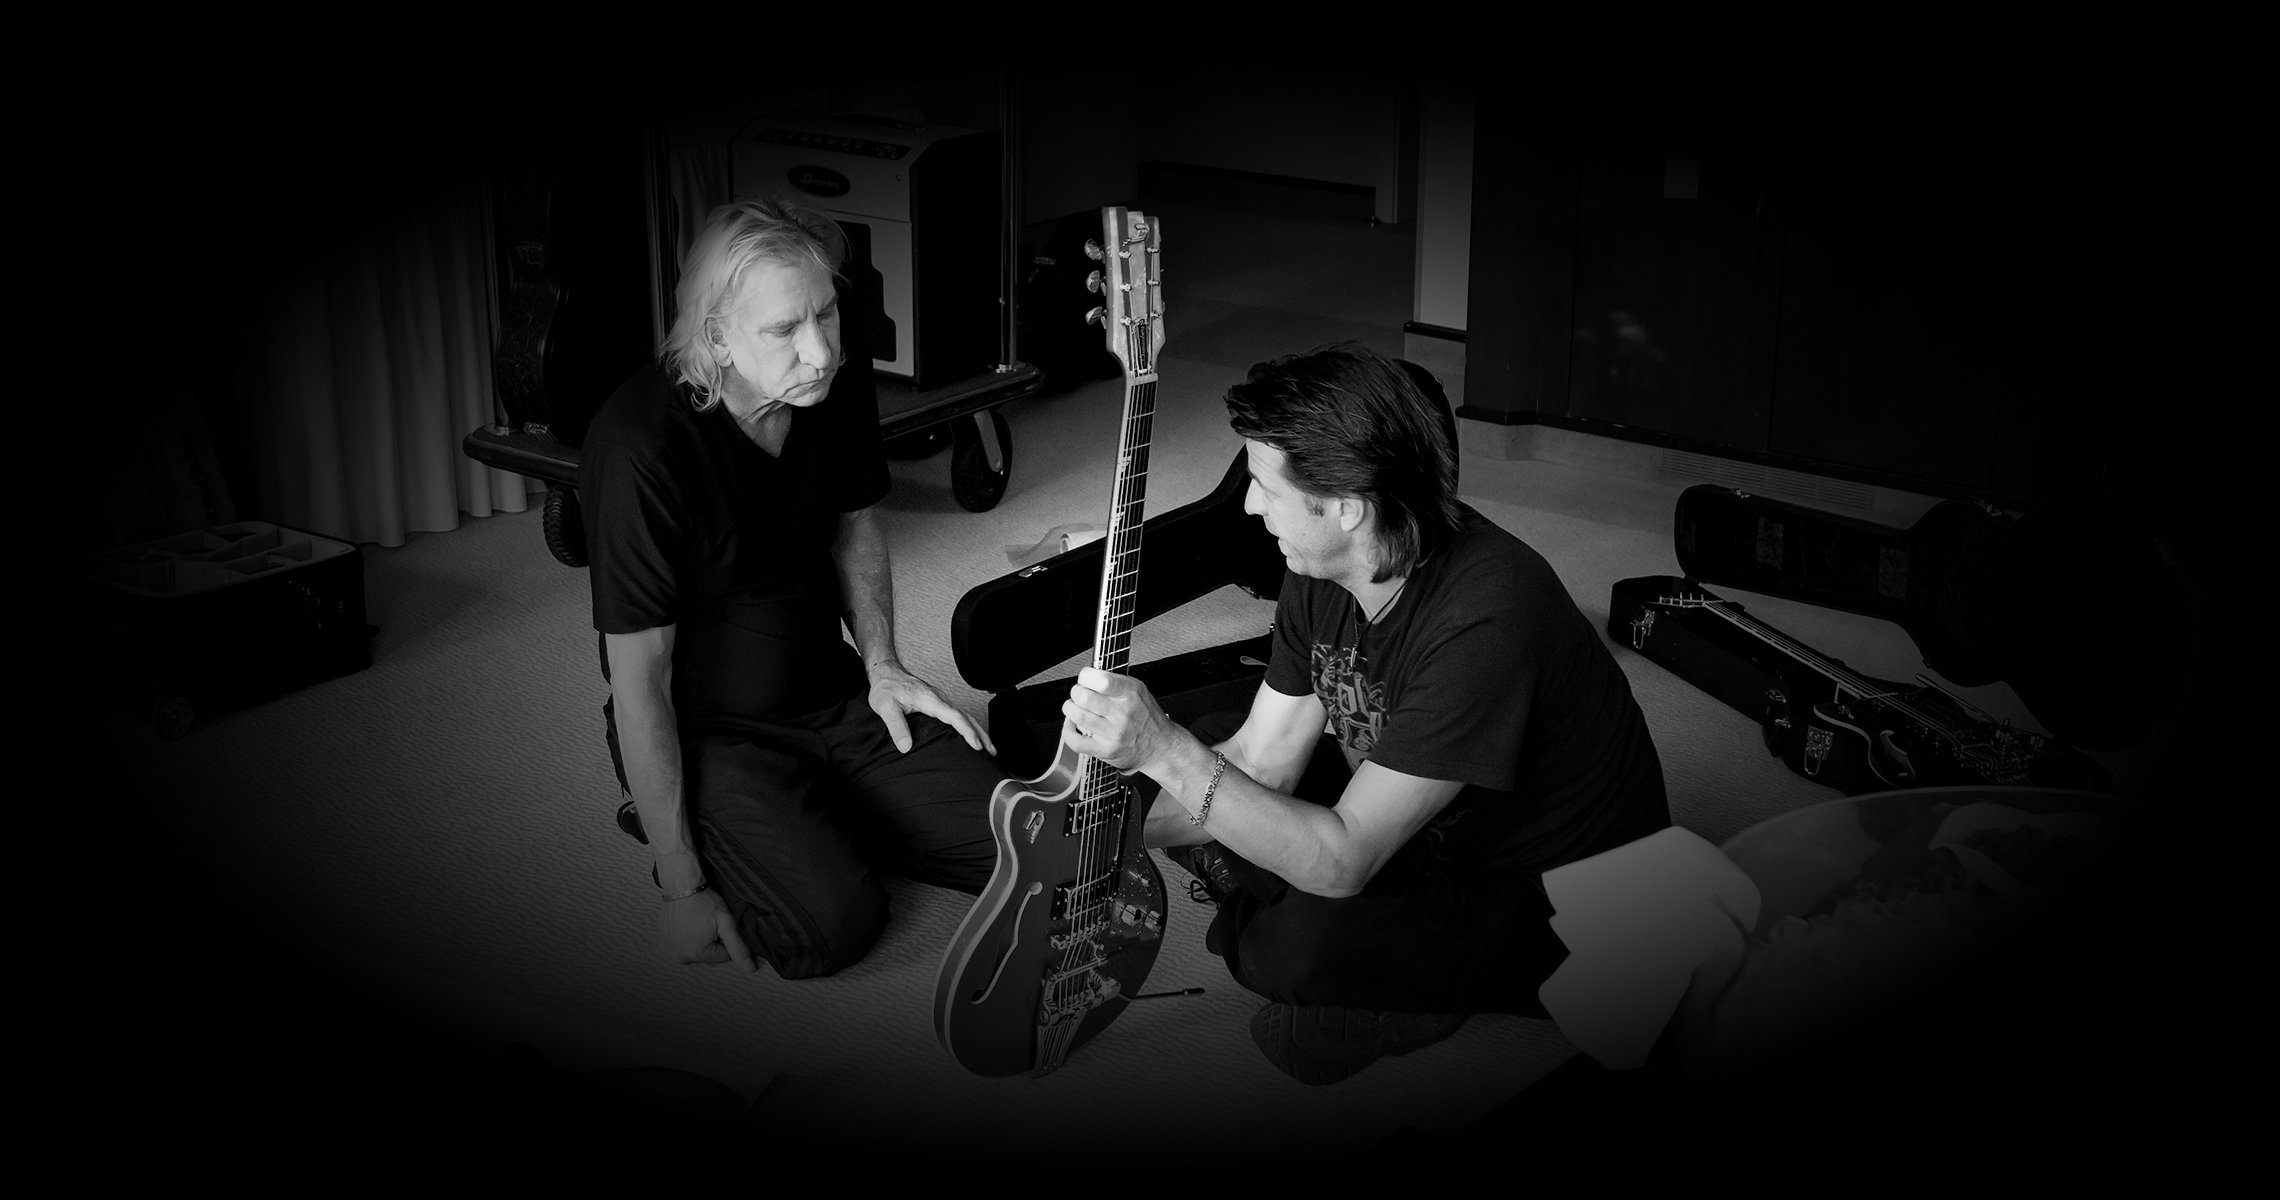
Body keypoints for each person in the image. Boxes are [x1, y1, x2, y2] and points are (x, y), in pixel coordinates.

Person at [1065, 342, 1672, 1084]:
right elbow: (1261, 759)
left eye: (1264, 485)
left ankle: (1419, 993)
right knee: (1222, 783)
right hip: (1428, 819)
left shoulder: (1490, 615)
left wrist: (1165, 751)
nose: (1250, 506)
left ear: (1347, 506)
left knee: (1281, 947)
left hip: (1558, 896)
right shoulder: (1324, 565)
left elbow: (1345, 857)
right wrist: (1097, 840)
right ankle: (1339, 932)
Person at [578, 195, 1000, 980]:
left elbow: (855, 523)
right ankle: (680, 817)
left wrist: (884, 665)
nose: (819, 352)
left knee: (1038, 846)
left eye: (827, 316)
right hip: (712, 731)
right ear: (716, 338)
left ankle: (815, 817)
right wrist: (682, 886)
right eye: (783, 329)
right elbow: (641, 680)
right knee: (830, 930)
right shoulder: (640, 449)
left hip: (833, 697)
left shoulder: (830, 380)